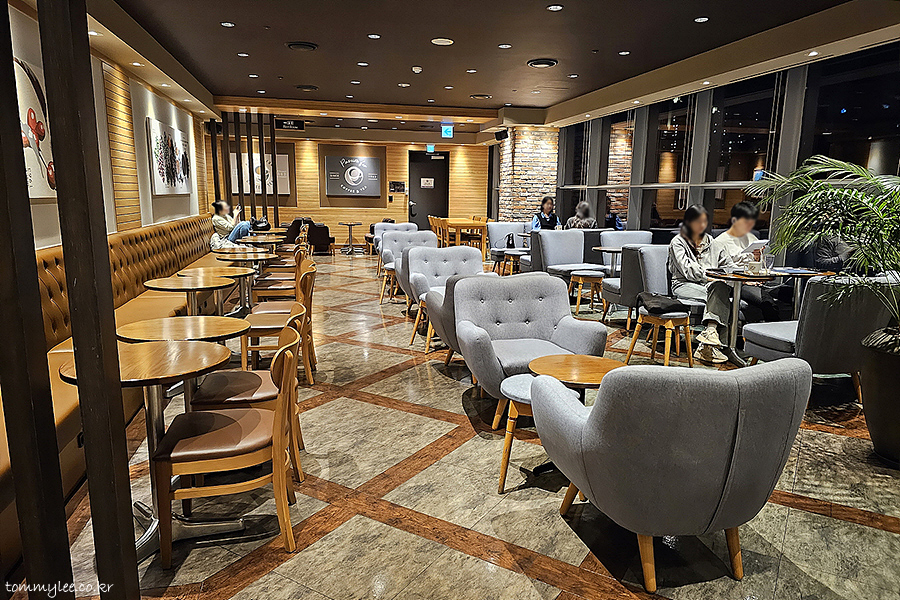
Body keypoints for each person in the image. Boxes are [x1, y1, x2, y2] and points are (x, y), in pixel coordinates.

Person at [668, 204, 736, 364]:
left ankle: (709, 337)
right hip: (683, 284)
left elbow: (729, 265)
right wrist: (711, 277)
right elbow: (688, 270)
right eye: (698, 221)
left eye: (704, 221)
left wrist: (744, 271)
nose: (702, 225)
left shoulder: (713, 243)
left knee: (720, 288)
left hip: (710, 285)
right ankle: (717, 347)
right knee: (719, 295)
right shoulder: (678, 242)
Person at [714, 201, 780, 322]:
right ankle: (772, 331)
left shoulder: (751, 238)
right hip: (737, 284)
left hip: (755, 280)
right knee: (767, 303)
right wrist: (745, 280)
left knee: (787, 293)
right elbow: (722, 270)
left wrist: (758, 258)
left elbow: (759, 264)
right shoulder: (720, 242)